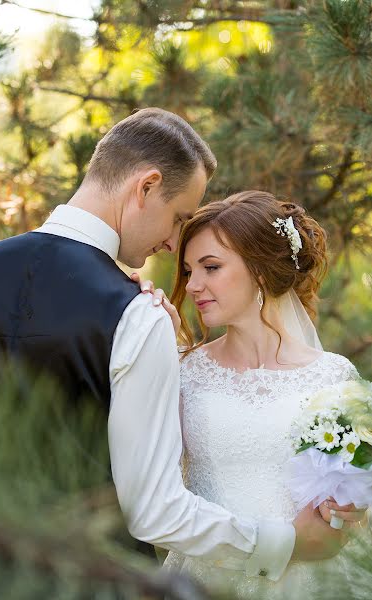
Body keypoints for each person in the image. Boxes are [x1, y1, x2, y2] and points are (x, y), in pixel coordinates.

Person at [0, 109, 348, 582]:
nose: (173, 243)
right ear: (145, 187)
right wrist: (286, 543)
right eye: (178, 218)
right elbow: (153, 509)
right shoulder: (134, 314)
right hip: (92, 579)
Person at [139, 190, 370, 598]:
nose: (193, 285)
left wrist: (350, 507)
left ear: (260, 271)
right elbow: (156, 492)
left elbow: (352, 494)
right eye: (190, 271)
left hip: (312, 579)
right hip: (210, 578)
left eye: (211, 267)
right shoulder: (182, 371)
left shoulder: (333, 375)